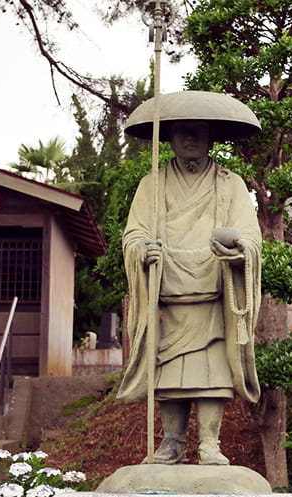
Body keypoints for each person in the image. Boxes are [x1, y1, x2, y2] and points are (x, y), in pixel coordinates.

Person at [116, 91, 262, 466]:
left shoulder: (231, 184)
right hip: (170, 294)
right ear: (169, 138)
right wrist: (141, 250)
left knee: (212, 373)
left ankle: (210, 444)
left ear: (211, 136)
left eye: (198, 131)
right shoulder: (152, 184)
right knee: (169, 376)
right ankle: (173, 442)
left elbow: (249, 235)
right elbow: (134, 233)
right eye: (181, 132)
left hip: (214, 291)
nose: (190, 139)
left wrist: (239, 249)